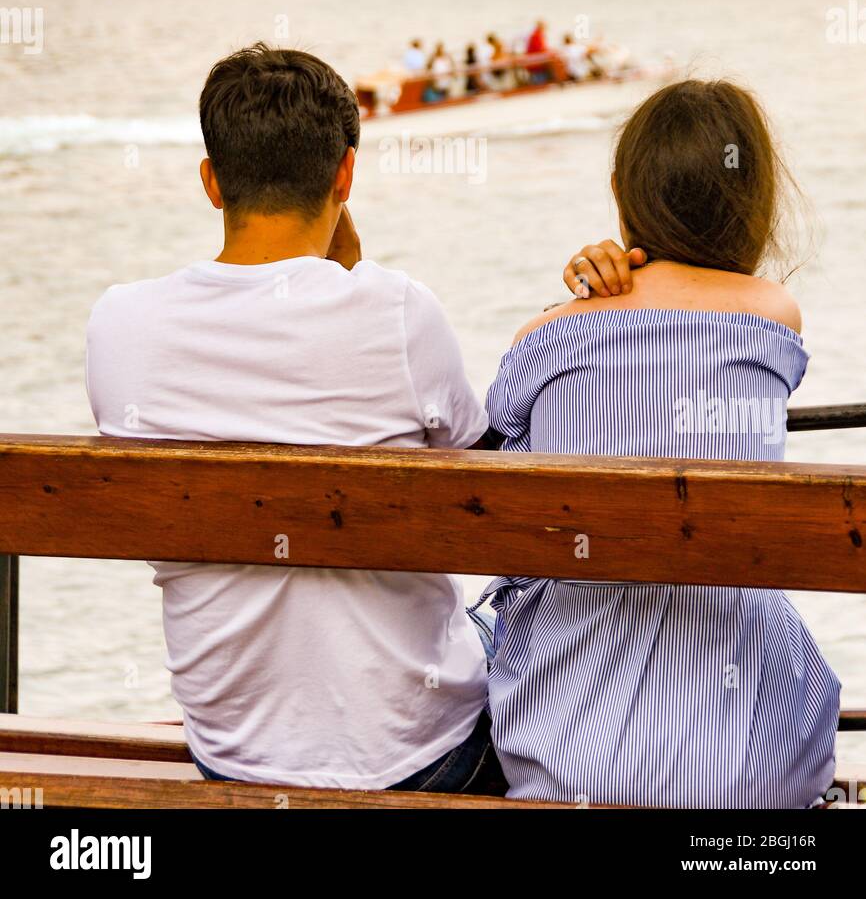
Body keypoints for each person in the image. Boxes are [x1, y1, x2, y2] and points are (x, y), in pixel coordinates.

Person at [86, 45, 506, 795]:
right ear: (346, 174)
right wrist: (349, 265)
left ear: (212, 182)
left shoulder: (121, 326)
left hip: (232, 755)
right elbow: (486, 477)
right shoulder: (398, 314)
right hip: (421, 760)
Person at [479, 79, 840, 807]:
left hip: (563, 758)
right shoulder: (774, 321)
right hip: (747, 770)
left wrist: (580, 298)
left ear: (619, 191)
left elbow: (494, 460)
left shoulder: (546, 337)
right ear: (758, 196)